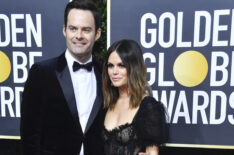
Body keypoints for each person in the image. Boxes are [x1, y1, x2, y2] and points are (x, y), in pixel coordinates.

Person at [20, 0, 104, 155]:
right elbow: (29, 134)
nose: (79, 36)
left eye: (86, 30)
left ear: (97, 34)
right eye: (73, 28)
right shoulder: (41, 73)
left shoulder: (105, 74)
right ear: (64, 30)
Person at [102, 39, 167, 155]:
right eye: (110, 66)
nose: (114, 72)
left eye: (121, 65)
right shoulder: (107, 103)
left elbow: (152, 153)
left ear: (134, 68)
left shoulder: (148, 107)